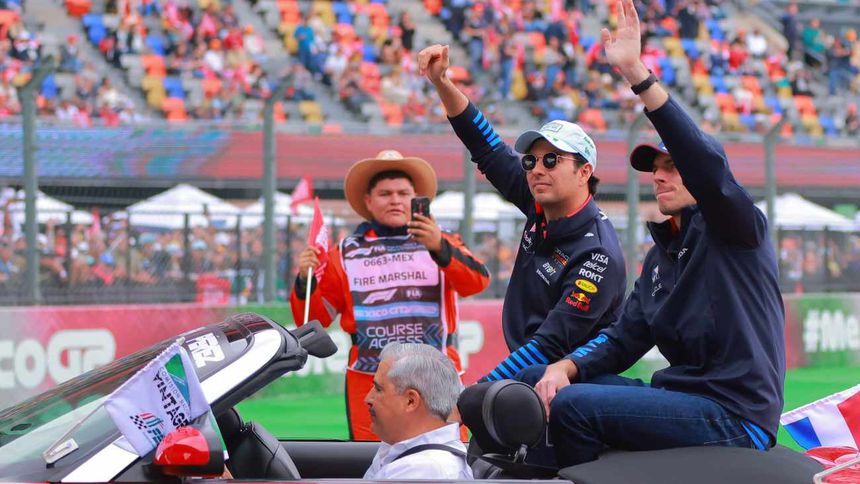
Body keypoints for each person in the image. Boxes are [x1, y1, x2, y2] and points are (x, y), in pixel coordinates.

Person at [520, 0, 785, 467]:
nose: (659, 176)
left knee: (573, 405)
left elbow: (707, 166)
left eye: (672, 166)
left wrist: (637, 75)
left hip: (735, 414)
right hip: (684, 399)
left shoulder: (735, 226)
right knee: (546, 382)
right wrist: (566, 366)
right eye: (654, 168)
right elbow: (624, 338)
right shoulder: (662, 254)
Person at [417, 44, 626, 384]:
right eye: (531, 160)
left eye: (552, 160)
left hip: (575, 386)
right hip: (535, 372)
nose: (537, 169)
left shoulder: (597, 254)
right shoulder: (539, 199)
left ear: (585, 172)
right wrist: (442, 82)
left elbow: (548, 346)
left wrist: (480, 392)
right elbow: (485, 144)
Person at [290, 150, 490, 441]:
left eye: (403, 193)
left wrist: (438, 247)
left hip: (437, 376)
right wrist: (304, 282)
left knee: (446, 454)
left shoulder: (442, 239)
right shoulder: (343, 253)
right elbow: (313, 319)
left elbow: (477, 283)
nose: (395, 200)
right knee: (374, 458)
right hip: (370, 380)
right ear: (368, 201)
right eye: (385, 193)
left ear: (416, 199)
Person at [363, 343, 472, 480]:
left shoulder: (422, 470)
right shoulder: (402, 446)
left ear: (411, 401)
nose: (367, 399)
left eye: (378, 389)